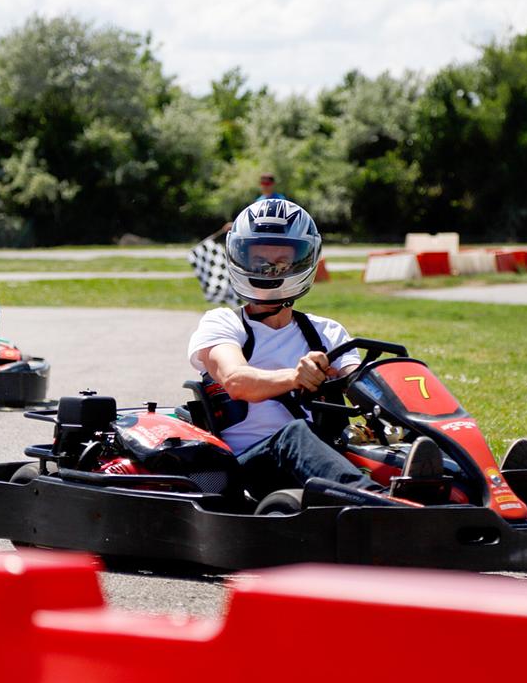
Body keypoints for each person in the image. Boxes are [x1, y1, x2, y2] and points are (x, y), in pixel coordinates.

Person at [187, 198, 440, 499]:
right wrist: (296, 377)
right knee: (294, 435)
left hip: (321, 456)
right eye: (259, 261)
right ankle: (377, 501)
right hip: (248, 468)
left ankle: (476, 484)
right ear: (239, 257)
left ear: (304, 260)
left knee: (401, 428)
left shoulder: (326, 332)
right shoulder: (223, 323)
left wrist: (396, 402)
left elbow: (363, 384)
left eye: (281, 261)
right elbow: (236, 381)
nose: (270, 270)